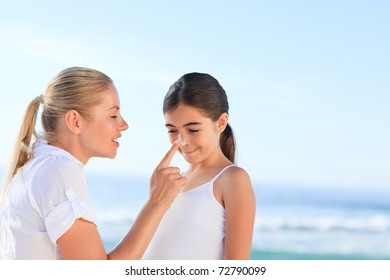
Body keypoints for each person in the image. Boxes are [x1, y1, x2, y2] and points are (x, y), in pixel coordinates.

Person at [0, 67, 187, 260]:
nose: (124, 125)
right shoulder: (58, 169)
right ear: (75, 121)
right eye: (113, 115)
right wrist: (158, 202)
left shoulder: (35, 166)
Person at [142, 72, 256, 260]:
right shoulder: (170, 182)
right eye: (172, 130)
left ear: (220, 122)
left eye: (193, 129)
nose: (182, 141)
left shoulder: (233, 179)